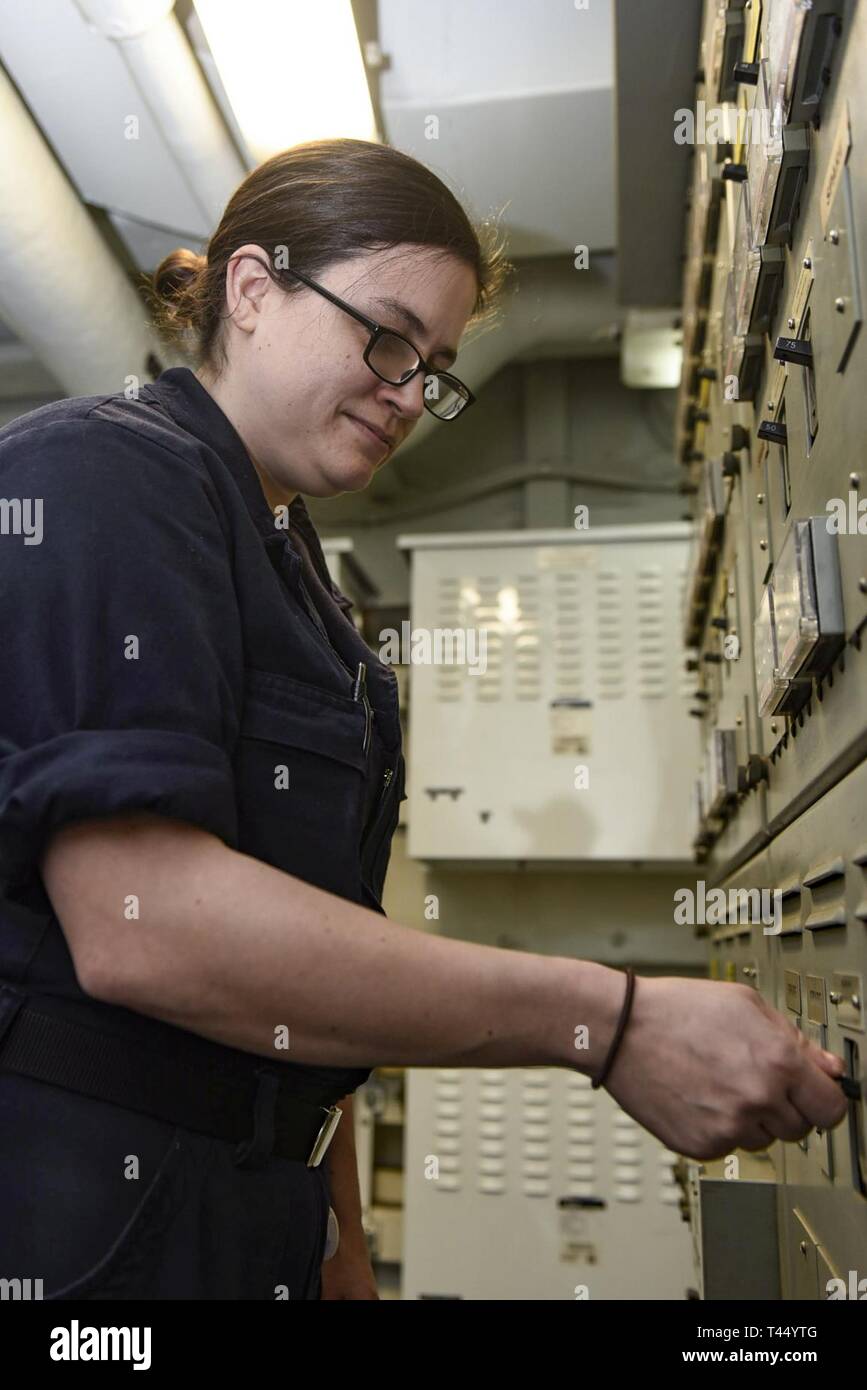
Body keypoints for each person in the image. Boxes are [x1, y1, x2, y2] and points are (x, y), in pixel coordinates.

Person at [0, 138, 848, 1302]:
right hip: (96, 1232)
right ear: (251, 290)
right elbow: (146, 924)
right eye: (389, 337)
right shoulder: (103, 476)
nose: (411, 394)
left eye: (437, 366)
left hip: (258, 1217)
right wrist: (604, 1019)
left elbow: (308, 945)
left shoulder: (298, 571)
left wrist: (341, 1235)